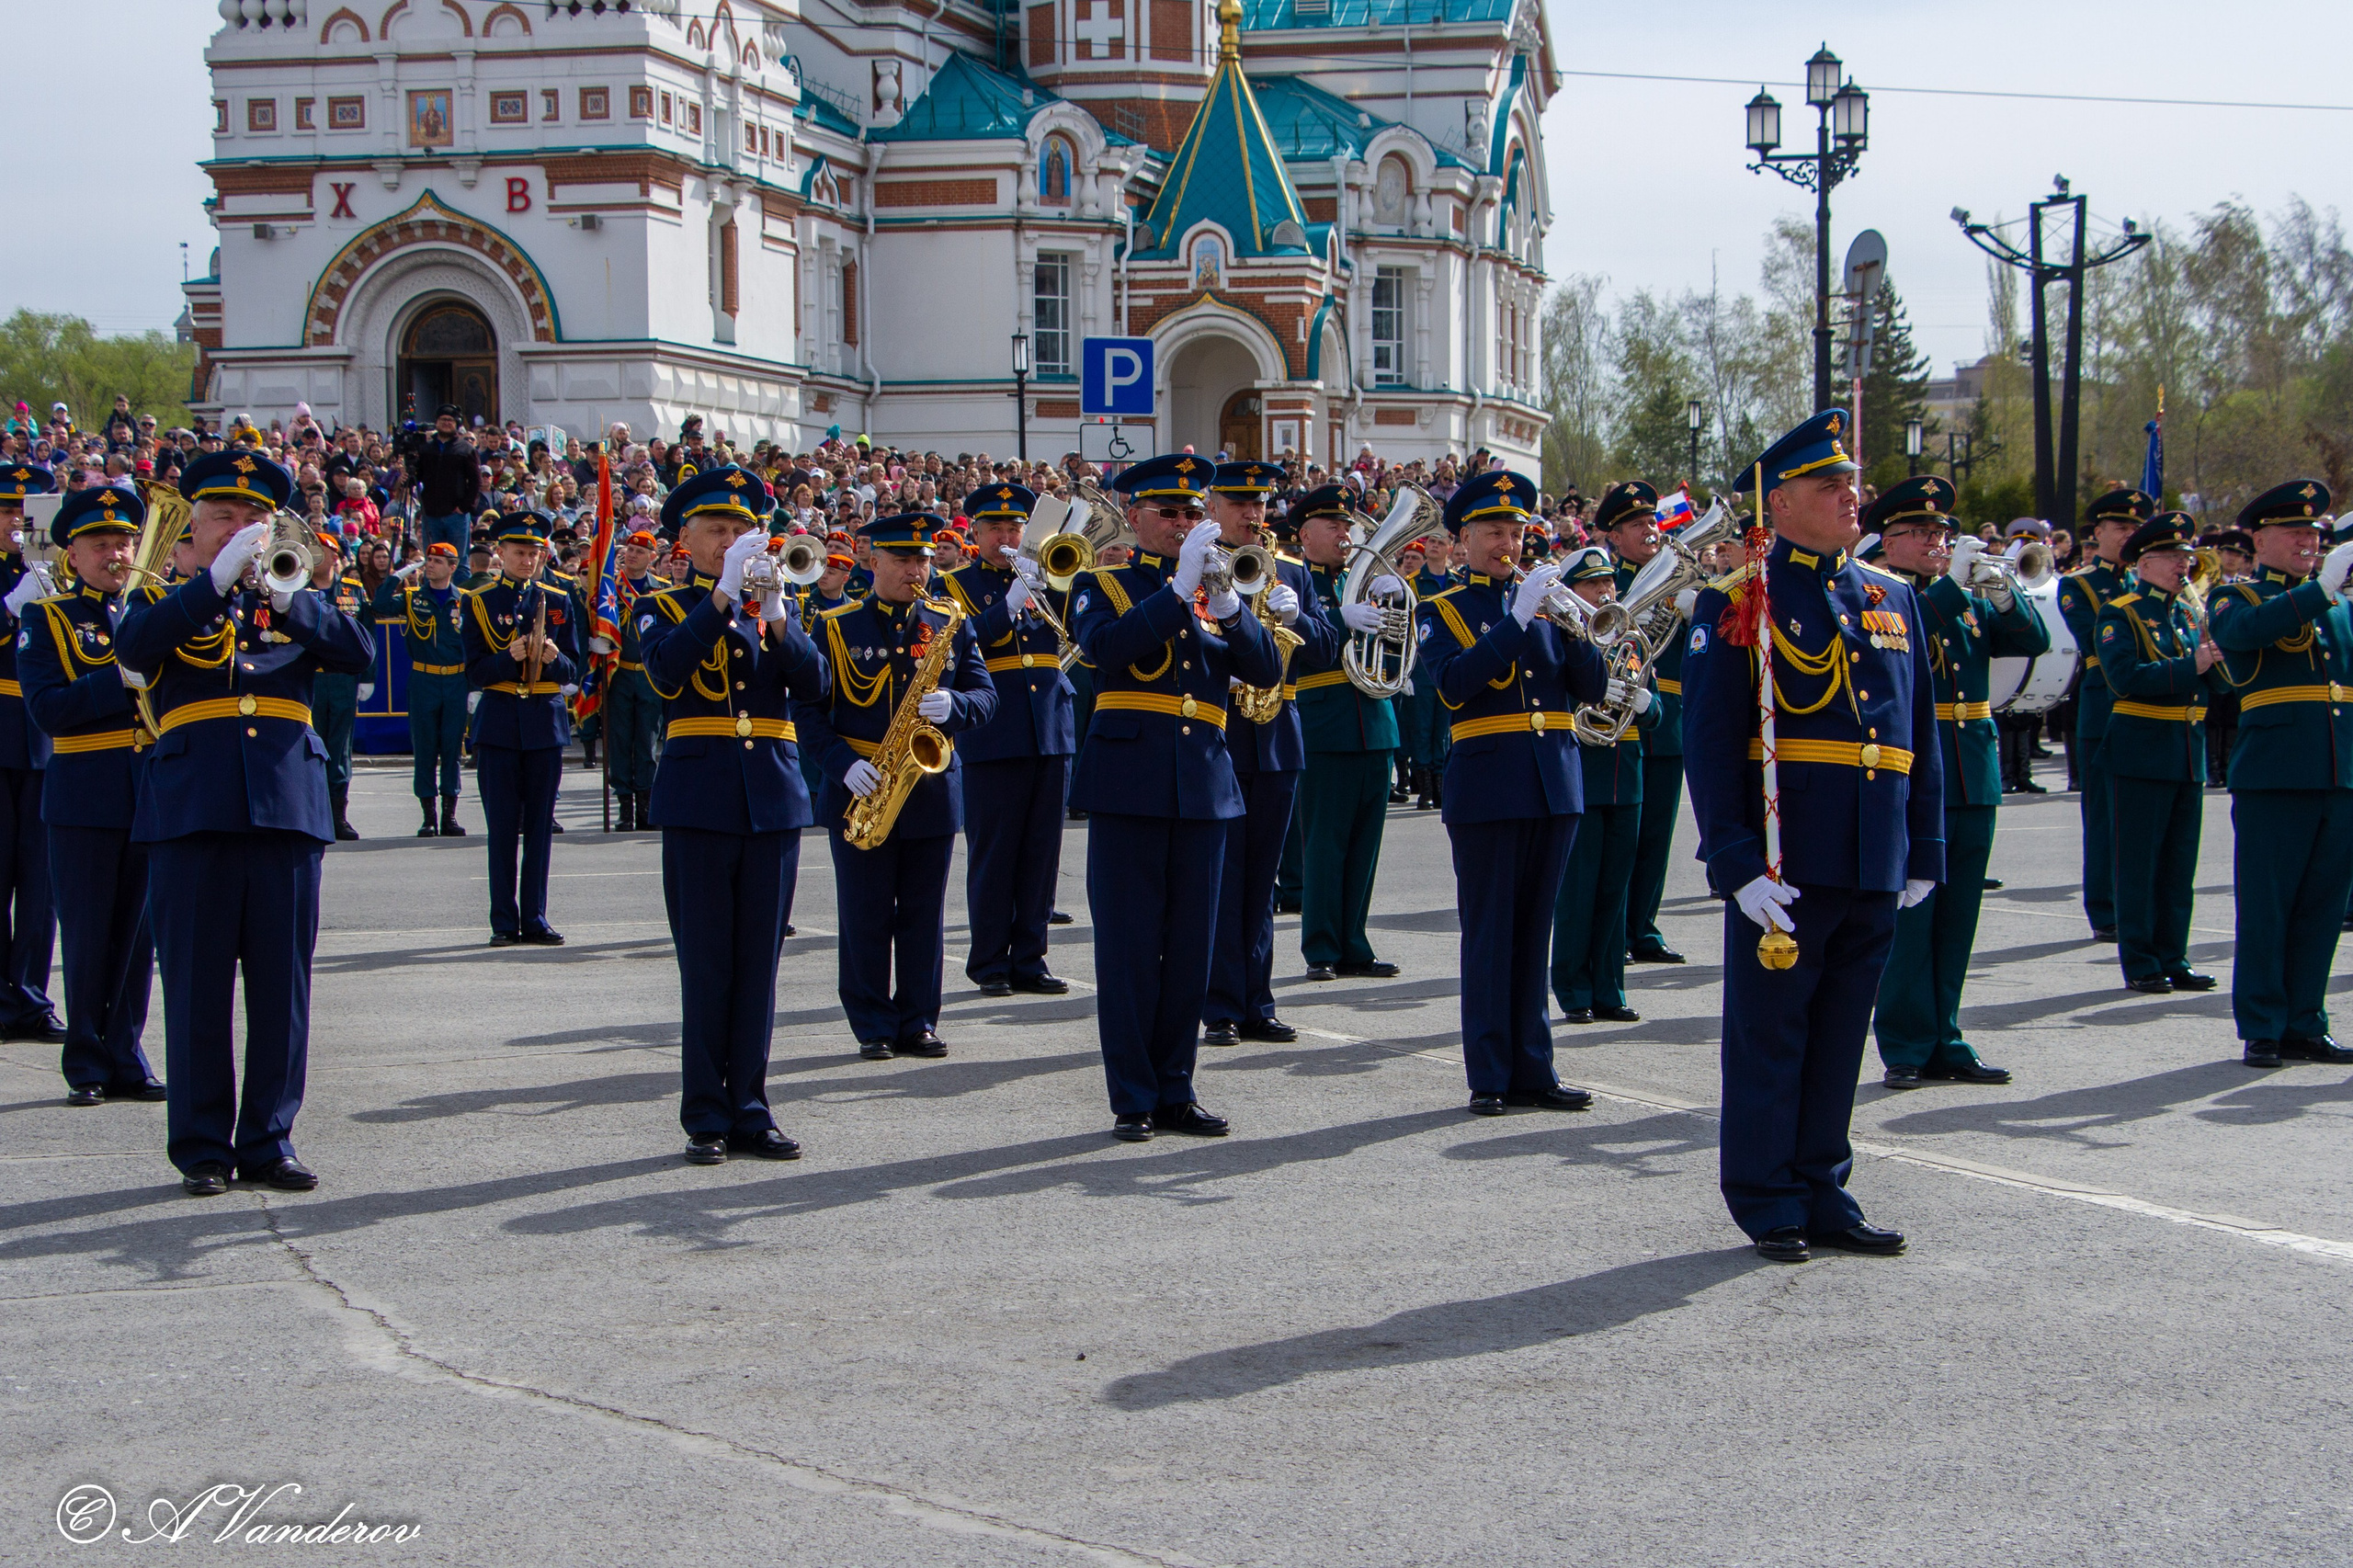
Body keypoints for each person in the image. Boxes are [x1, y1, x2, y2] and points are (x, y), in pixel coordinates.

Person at [1681, 409, 1942, 1263]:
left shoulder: (1891, 594)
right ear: (1780, 503)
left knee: (1839, 1035)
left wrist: (1923, 849)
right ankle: (1767, 1196)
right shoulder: (1740, 598)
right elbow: (1715, 745)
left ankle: (1823, 1184)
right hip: (1788, 854)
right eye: (1830, 488)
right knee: (1774, 1034)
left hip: (1873, 852)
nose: (1852, 498)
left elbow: (1920, 736)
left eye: (1851, 484)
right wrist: (1735, 863)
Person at [119, 449, 375, 1196]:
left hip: (285, 807)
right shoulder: (161, 598)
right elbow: (132, 650)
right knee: (197, 986)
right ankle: (202, 1145)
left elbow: (355, 653)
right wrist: (212, 584)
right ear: (192, 532)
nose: (239, 530)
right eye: (222, 519)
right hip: (194, 807)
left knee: (280, 988)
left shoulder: (291, 594)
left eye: (252, 520)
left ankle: (270, 1139)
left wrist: (292, 596)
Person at [1066, 454, 1281, 1139]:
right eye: (1170, 513)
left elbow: (1265, 668)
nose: (1185, 523)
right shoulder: (1101, 583)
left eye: (1195, 513)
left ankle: (1176, 1089)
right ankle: (1133, 1095)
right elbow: (1108, 650)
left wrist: (1230, 611)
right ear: (1136, 518)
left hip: (1206, 786)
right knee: (1130, 950)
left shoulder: (1220, 590)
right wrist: (1178, 588)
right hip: (1131, 782)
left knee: (1191, 948)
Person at [638, 467, 830, 1164]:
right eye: (716, 531)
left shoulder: (777, 612)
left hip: (772, 801)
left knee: (758, 966)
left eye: (740, 531)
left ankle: (751, 1106)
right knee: (707, 965)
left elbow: (816, 686)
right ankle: (705, 1114)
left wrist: (776, 614)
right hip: (700, 798)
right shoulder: (662, 605)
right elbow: (665, 673)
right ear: (685, 540)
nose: (730, 542)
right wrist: (721, 598)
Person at [1415, 471, 1612, 1119]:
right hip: (1490, 784)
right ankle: (1491, 1073)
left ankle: (1536, 1067)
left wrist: (1578, 627)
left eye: (1517, 530)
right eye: (1494, 530)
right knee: (1492, 932)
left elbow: (1590, 689)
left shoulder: (1552, 605)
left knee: (1534, 934)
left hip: (1554, 782)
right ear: (1463, 537)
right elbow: (1453, 686)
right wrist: (1516, 621)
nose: (1509, 541)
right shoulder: (1441, 610)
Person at [1862, 478, 2046, 1088]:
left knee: (1959, 916)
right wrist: (1948, 586)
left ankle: (1945, 1034)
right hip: (1916, 769)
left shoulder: (1960, 597)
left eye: (1942, 533)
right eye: (1921, 533)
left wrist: (2001, 596)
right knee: (1913, 917)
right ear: (1889, 540)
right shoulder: (1876, 592)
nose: (1937, 543)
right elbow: (1906, 640)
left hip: (1974, 765)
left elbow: (2033, 640)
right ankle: (1905, 1042)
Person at [795, 513, 996, 1060]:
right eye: (905, 560)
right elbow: (808, 713)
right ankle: (871, 1023)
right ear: (874, 561)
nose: (917, 570)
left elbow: (986, 696)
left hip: (930, 788)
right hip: (862, 783)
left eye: (925, 560)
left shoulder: (950, 620)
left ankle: (918, 1020)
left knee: (924, 915)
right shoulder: (835, 625)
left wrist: (957, 705)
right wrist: (839, 764)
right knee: (865, 913)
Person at [19, 484, 161, 1105]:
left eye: (125, 542)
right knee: (85, 934)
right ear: (71, 555)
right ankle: (86, 1061)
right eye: (100, 545)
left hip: (151, 791)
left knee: (138, 936)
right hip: (85, 794)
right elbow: (49, 710)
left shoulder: (156, 611)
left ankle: (126, 1052)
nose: (116, 554)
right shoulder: (46, 619)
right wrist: (117, 678)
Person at [2207, 483, 2353, 1066]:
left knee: (2323, 907)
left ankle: (2304, 1021)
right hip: (2275, 774)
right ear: (2260, 538)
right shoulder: (2234, 597)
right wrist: (2320, 590)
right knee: (2268, 905)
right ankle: (2263, 1024)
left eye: (2316, 534)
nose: (2309, 542)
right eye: (2296, 532)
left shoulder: (2340, 606)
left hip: (2340, 774)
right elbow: (2243, 636)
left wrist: (2327, 592)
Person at [1201, 460, 1334, 1040]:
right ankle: (1222, 1005)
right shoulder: (1200, 570)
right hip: (1221, 736)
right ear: (1214, 509)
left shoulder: (1293, 573)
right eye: (1239, 504)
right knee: (1224, 878)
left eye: (1258, 504)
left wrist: (1296, 614)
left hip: (1277, 738)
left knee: (1264, 880)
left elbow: (1328, 650)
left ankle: (1259, 1000)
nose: (1253, 514)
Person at [939, 483, 1075, 998]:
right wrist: (1008, 606)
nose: (1006, 536)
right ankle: (990, 960)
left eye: (1015, 527)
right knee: (995, 854)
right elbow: (956, 641)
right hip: (993, 731)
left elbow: (1079, 631)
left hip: (1049, 728)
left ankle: (1031, 958)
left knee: (1042, 853)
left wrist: (1049, 586)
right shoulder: (956, 586)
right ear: (975, 533)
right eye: (995, 528)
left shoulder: (1050, 575)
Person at [2096, 514, 2222, 995]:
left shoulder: (2189, 614)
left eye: (2187, 558)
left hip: (2187, 751)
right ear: (2145, 563)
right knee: (2140, 865)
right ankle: (2142, 961)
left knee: (2177, 866)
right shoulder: (2121, 613)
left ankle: (2175, 954)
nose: (2183, 567)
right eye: (2173, 558)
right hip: (2142, 750)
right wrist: (2192, 664)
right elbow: (2125, 678)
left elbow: (2213, 683)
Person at [1287, 483, 1400, 992]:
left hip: (1374, 723)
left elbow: (1397, 653)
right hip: (1325, 723)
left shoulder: (1368, 580)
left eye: (1346, 525)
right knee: (1326, 843)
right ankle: (1322, 946)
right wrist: (1337, 618)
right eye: (1332, 525)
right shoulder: (1292, 579)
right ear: (1305, 533)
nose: (1344, 533)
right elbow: (1293, 643)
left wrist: (1398, 609)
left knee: (1364, 845)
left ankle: (1355, 941)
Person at [1549, 548, 1656, 1025]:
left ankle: (1610, 988)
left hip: (1625, 778)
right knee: (1579, 891)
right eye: (1593, 586)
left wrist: (1646, 702)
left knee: (1615, 889)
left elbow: (1653, 716)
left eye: (1609, 585)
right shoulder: (1558, 639)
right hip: (1582, 776)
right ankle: (1573, 989)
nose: (1606, 594)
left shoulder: (1630, 642)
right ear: (1572, 592)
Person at [462, 512, 578, 947]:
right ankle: (503, 921)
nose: (527, 560)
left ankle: (535, 916)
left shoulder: (560, 600)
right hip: (499, 723)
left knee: (540, 830)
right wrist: (507, 657)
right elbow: (474, 672)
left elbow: (574, 669)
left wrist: (552, 658)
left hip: (544, 724)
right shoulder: (479, 601)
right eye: (518, 552)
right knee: (503, 829)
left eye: (534, 553)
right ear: (502, 553)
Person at [1596, 483, 1690, 966]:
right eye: (1636, 524)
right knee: (1622, 838)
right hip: (1622, 716)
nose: (1650, 530)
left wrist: (1698, 611)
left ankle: (1643, 927)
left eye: (1651, 522)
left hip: (1667, 717)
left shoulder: (1675, 581)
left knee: (1657, 834)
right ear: (1615, 536)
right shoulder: (1608, 582)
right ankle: (1616, 931)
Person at [2058, 489, 2153, 941]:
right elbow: (2095, 640)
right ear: (2097, 534)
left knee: (2145, 820)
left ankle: (2139, 905)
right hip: (2106, 707)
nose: (2131, 535)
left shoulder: (2146, 583)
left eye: (2137, 528)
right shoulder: (2080, 584)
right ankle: (2105, 908)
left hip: (2152, 711)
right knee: (2104, 817)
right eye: (2121, 528)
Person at [0, 458, 60, 1041]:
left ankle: (31, 998)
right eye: (7, 511)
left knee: (40, 885)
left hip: (45, 736)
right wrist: (11, 603)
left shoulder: (58, 570)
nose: (17, 522)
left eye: (27, 512)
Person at [372, 541, 471, 835]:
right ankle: (428, 816)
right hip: (424, 679)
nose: (429, 565)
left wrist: (474, 687)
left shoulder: (464, 600)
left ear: (453, 567)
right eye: (428, 560)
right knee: (425, 748)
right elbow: (379, 606)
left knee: (452, 748)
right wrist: (396, 576)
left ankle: (449, 816)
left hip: (455, 680)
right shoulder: (413, 597)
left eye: (438, 561)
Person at [603, 528, 670, 832]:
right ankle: (624, 806)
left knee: (646, 740)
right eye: (629, 549)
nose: (632, 554)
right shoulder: (610, 587)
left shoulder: (662, 590)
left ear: (652, 558)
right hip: (618, 673)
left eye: (640, 551)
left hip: (648, 676)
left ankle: (645, 804)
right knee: (619, 740)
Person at [308, 531, 371, 840]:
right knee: (311, 746)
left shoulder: (353, 589)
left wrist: (368, 677)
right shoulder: (295, 586)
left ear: (336, 556)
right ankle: (312, 813)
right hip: (310, 679)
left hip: (344, 679)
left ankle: (338, 816)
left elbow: (366, 634)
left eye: (323, 550)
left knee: (340, 748)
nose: (317, 555)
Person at [411, 404, 481, 556]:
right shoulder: (426, 449)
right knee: (433, 559)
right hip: (431, 514)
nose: (446, 423)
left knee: (458, 560)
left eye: (450, 420)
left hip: (455, 515)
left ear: (457, 424)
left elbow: (476, 481)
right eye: (443, 419)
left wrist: (464, 507)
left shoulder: (466, 449)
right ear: (436, 422)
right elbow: (418, 476)